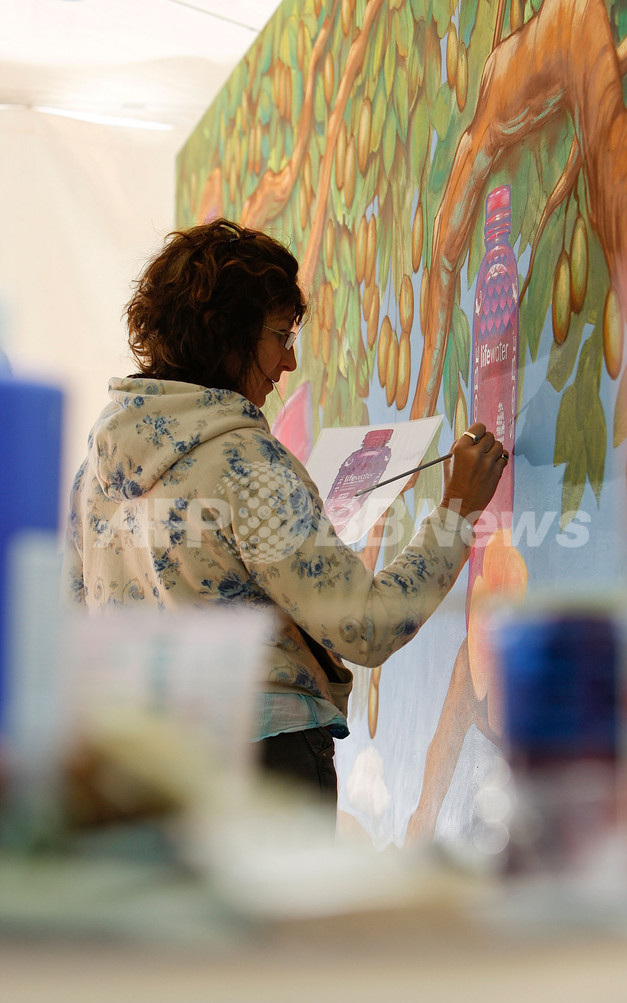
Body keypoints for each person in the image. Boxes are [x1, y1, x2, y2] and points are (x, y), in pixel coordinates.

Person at [62, 218, 508, 810]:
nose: (290, 361)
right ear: (227, 337)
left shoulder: (92, 479)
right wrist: (458, 510)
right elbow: (366, 625)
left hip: (142, 776)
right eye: (281, 335)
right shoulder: (246, 463)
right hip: (260, 767)